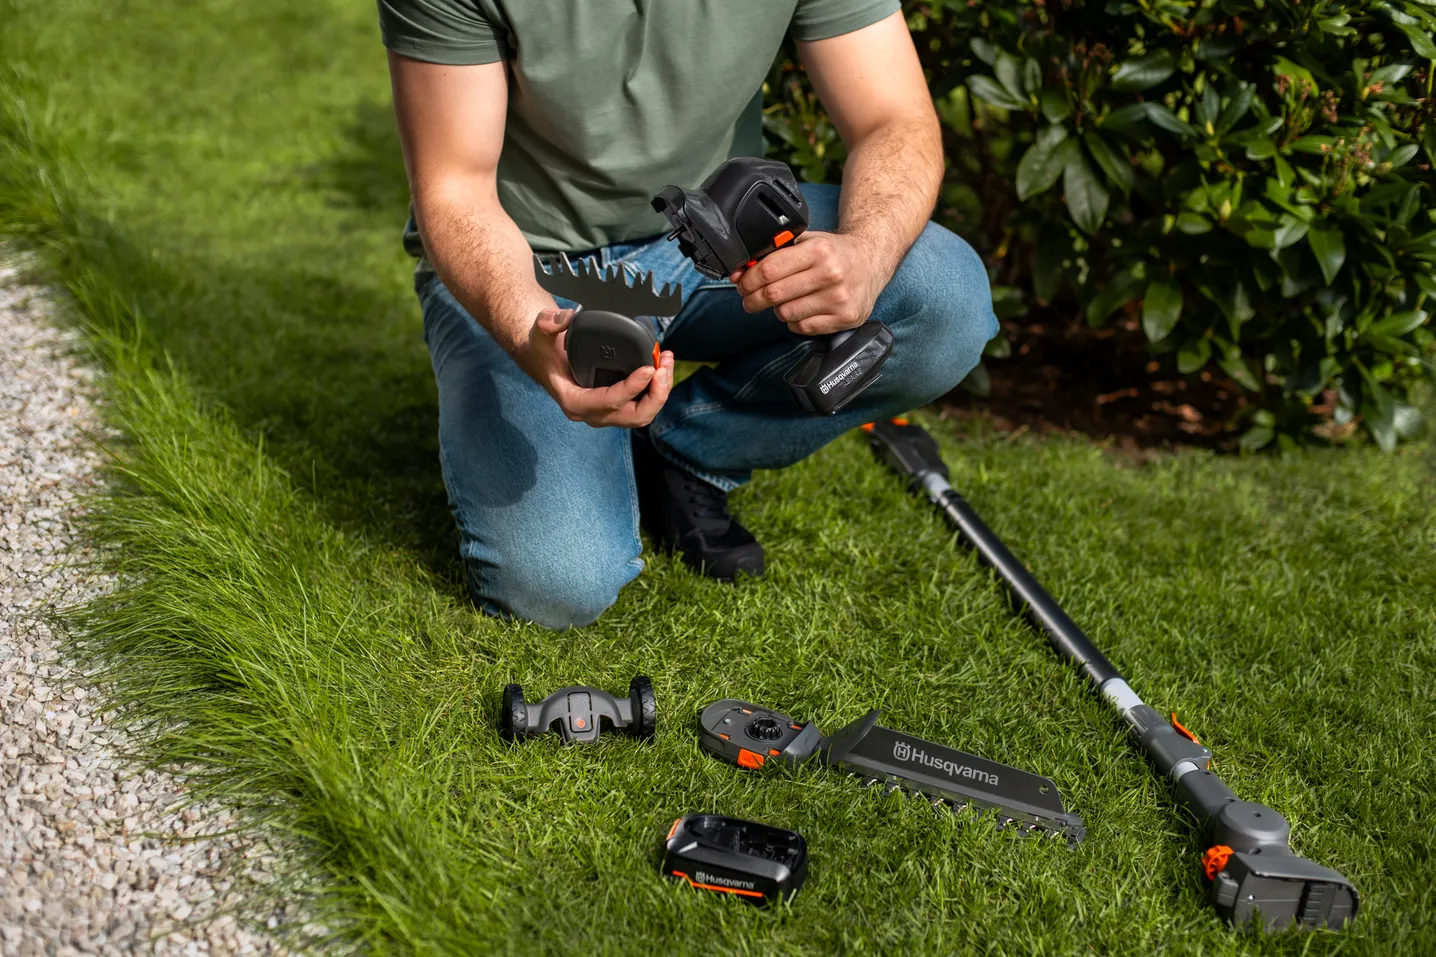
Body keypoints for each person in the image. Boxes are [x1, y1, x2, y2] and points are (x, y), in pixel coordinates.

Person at [378, 0, 997, 629]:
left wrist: (867, 252)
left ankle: (687, 450)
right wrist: (526, 330)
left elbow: (894, 119)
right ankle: (587, 437)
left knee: (942, 298)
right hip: (530, 265)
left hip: (709, 237)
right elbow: (454, 188)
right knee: (560, 584)